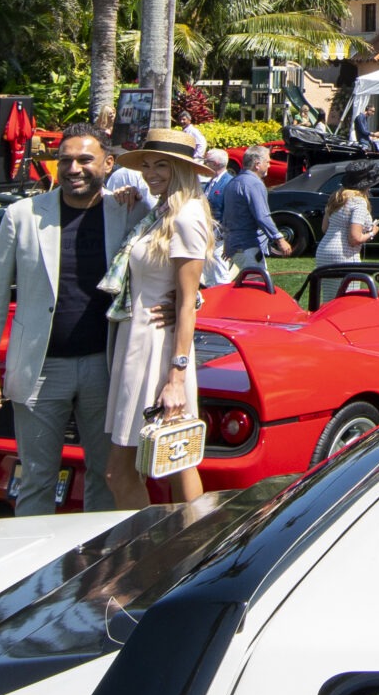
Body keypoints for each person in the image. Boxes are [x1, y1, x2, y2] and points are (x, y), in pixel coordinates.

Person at [0, 123, 142, 515]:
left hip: (106, 367)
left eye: (85, 159)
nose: (73, 168)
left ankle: (99, 565)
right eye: (65, 160)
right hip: (41, 370)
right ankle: (35, 571)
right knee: (36, 478)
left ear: (108, 164)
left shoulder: (128, 211)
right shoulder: (22, 216)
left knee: (107, 475)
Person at [102, 128, 215, 507]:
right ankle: (185, 546)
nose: (150, 174)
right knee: (173, 458)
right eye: (147, 165)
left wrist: (176, 377)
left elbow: (185, 301)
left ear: (181, 169)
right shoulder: (161, 210)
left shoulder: (186, 215)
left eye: (161, 166)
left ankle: (163, 548)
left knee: (155, 462)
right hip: (138, 339)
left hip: (158, 346)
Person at [207, 145, 288, 274]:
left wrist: (229, 244)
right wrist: (280, 239)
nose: (269, 165)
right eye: (267, 162)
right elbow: (262, 216)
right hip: (248, 246)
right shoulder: (253, 183)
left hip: (235, 246)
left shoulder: (233, 182)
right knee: (257, 286)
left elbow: (227, 217)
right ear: (257, 164)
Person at [316, 171, 379, 267]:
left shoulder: (335, 199)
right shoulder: (358, 202)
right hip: (344, 254)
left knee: (325, 282)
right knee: (349, 282)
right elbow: (354, 239)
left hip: (323, 251)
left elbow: (325, 228)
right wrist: (372, 232)